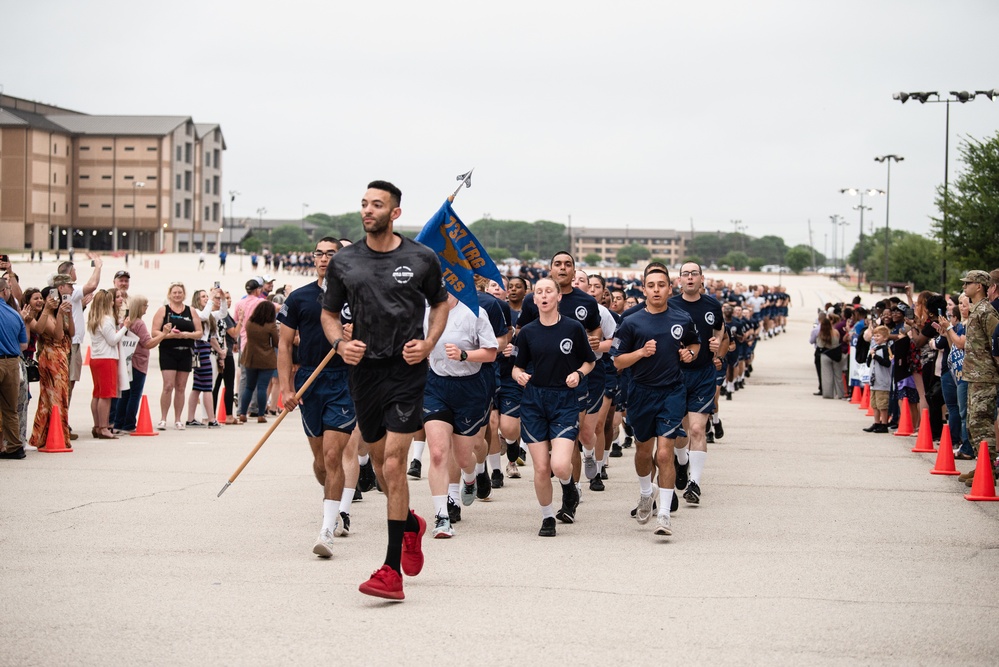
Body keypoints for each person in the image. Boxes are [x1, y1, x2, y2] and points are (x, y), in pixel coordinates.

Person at [321, 180, 448, 601]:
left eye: (377, 204)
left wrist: (428, 344)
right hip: (364, 373)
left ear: (395, 212)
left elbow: (440, 304)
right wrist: (341, 343)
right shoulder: (345, 261)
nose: (367, 210)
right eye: (363, 203)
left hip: (406, 369)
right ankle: (411, 525)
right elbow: (328, 315)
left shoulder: (421, 257)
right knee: (378, 464)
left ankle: (390, 571)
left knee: (394, 464)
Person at [278, 238, 360, 555]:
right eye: (320, 253)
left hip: (345, 380)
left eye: (332, 253)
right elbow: (284, 346)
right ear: (313, 259)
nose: (325, 258)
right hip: (309, 379)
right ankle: (333, 502)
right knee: (320, 463)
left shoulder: (358, 297)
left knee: (332, 456)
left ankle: (327, 528)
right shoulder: (299, 298)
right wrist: (286, 388)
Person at [611, 267, 700, 537]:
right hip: (640, 393)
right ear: (644, 289)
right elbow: (617, 360)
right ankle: (645, 494)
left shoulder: (681, 318)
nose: (657, 289)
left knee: (664, 453)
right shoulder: (631, 321)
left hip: (671, 392)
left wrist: (689, 355)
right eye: (651, 285)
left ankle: (664, 514)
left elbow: (695, 345)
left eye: (662, 285)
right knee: (642, 450)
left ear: (669, 289)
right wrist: (640, 352)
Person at [513, 277, 596, 536]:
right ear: (534, 299)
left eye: (549, 291)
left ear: (558, 296)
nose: (544, 295)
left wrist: (579, 375)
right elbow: (516, 366)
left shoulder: (573, 328)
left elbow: (589, 361)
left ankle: (568, 485)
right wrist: (518, 375)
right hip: (534, 402)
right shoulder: (527, 332)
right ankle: (548, 517)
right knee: (540, 467)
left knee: (559, 465)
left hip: (564, 400)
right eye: (539, 292)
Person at [422, 292, 498, 538]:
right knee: (437, 453)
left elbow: (491, 352)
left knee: (463, 456)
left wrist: (464, 355)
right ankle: (442, 516)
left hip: (469, 388)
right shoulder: (426, 310)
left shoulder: (474, 312)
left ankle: (469, 477)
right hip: (436, 386)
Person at [668, 262, 725, 505]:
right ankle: (682, 463)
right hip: (677, 374)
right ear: (679, 280)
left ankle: (695, 483)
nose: (690, 278)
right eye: (685, 274)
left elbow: (720, 329)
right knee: (681, 432)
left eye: (694, 274)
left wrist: (716, 346)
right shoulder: (671, 305)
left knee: (697, 429)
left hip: (703, 374)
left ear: (702, 278)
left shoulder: (712, 305)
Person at [959, 270, 999, 484]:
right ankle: (981, 465)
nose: (965, 286)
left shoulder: (986, 311)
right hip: (974, 375)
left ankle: (990, 470)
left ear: (980, 286)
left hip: (986, 376)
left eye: (969, 283)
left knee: (981, 422)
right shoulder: (976, 310)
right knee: (973, 424)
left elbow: (997, 341)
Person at [58, 254, 102, 439]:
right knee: (68, 384)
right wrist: (98, 266)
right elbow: (92, 285)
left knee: (68, 384)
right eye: (74, 270)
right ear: (68, 274)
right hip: (72, 344)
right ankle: (62, 424)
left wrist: (81, 306)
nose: (76, 273)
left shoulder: (69, 293)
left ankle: (62, 423)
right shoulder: (72, 290)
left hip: (72, 342)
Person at [28, 286, 74, 451]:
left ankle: (51, 434)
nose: (55, 299)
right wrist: (59, 314)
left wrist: (67, 313)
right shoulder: (45, 316)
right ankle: (51, 435)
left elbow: (71, 333)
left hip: (60, 357)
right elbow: (58, 336)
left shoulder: (55, 315)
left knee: (59, 397)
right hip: (51, 358)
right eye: (51, 297)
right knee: (53, 398)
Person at [114, 296, 167, 433]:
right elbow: (148, 343)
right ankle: (129, 423)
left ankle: (119, 422)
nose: (147, 308)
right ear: (139, 307)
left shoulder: (125, 323)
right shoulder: (139, 324)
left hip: (126, 361)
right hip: (138, 362)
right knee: (135, 394)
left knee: (125, 393)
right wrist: (163, 335)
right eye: (145, 305)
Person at [152, 283, 202, 430]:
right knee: (168, 386)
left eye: (180, 292)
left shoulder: (190, 311)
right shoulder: (163, 310)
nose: (177, 295)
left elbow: (199, 332)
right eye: (174, 292)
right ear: (170, 294)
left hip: (186, 350)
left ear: (184, 294)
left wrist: (185, 335)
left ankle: (178, 419)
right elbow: (154, 332)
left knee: (181, 387)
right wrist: (167, 334)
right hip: (168, 350)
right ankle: (163, 418)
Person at [86, 290, 130, 439]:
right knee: (106, 395)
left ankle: (97, 425)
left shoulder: (94, 318)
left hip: (96, 358)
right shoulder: (106, 319)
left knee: (97, 393)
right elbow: (113, 340)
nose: (113, 302)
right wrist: (124, 327)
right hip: (107, 358)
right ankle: (104, 427)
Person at [185, 288, 225, 428]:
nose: (206, 298)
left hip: (204, 349)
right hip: (199, 350)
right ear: (197, 299)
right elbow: (202, 316)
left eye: (207, 296)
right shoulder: (194, 311)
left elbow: (222, 313)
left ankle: (191, 418)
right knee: (207, 386)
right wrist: (211, 300)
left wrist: (222, 299)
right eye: (203, 296)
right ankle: (211, 418)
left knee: (197, 387)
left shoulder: (208, 313)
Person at [0, 278, 29, 459]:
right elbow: (24, 345)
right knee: (10, 409)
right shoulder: (15, 314)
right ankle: (15, 447)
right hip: (12, 363)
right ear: (4, 291)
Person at [239, 301, 279, 424]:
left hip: (250, 357)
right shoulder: (270, 325)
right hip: (266, 358)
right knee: (262, 387)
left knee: (249, 387)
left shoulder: (250, 323)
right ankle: (261, 414)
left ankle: (242, 413)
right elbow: (276, 342)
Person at [212, 291, 238, 425]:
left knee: (217, 386)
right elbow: (233, 333)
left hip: (223, 351)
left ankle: (213, 415)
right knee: (226, 385)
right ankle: (227, 415)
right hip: (223, 353)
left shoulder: (219, 314)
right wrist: (242, 320)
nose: (228, 301)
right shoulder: (222, 315)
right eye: (225, 298)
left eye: (229, 298)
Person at [864, 326, 892, 433]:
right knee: (874, 404)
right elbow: (868, 363)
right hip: (874, 381)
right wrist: (870, 355)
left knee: (882, 404)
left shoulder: (885, 349)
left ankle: (884, 423)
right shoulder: (874, 349)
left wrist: (875, 356)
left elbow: (887, 363)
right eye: (874, 335)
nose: (876, 338)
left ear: (885, 338)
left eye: (878, 335)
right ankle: (876, 422)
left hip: (882, 381)